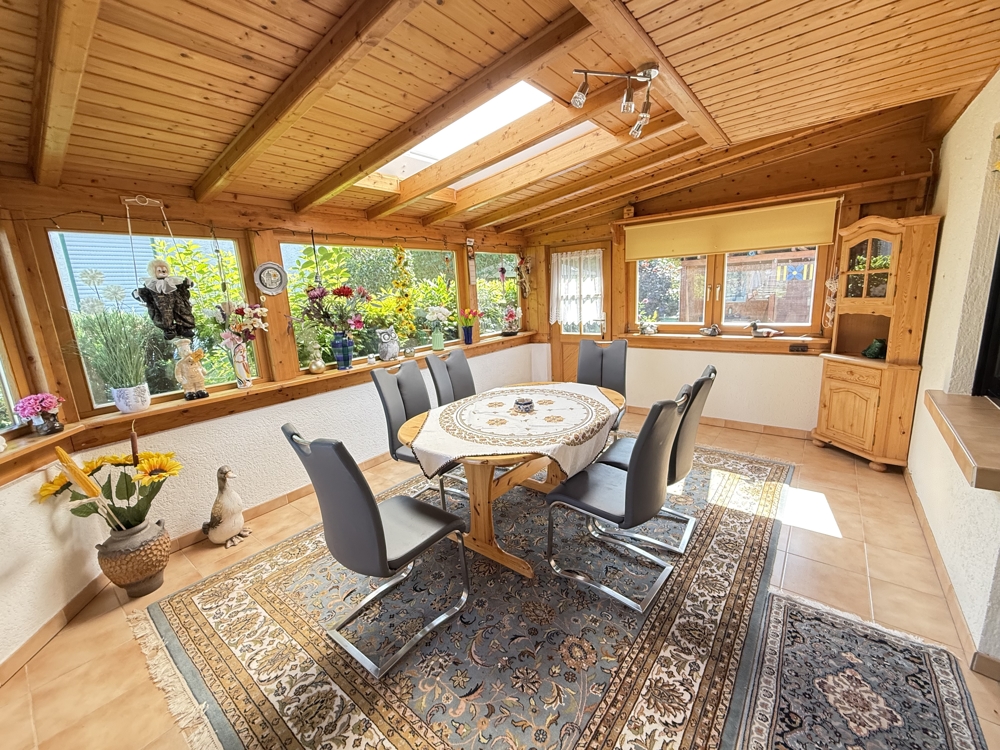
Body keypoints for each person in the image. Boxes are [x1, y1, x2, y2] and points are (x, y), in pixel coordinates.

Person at [134, 259, 196, 340]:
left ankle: (184, 328)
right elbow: (146, 293)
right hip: (162, 305)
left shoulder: (174, 281)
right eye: (159, 270)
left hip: (177, 302)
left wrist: (188, 283)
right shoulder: (152, 284)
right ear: (153, 272)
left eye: (164, 270)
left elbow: (182, 287)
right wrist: (138, 293)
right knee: (164, 317)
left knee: (183, 312)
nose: (163, 272)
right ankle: (169, 330)